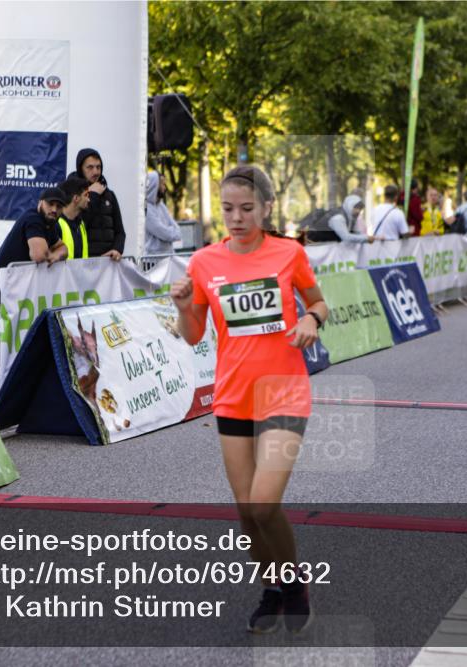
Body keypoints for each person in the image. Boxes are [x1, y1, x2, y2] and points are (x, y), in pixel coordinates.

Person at [171, 165, 327, 635]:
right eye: (227, 209)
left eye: (246, 208)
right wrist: (182, 308)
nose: (236, 218)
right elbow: (194, 333)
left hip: (284, 392)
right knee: (244, 512)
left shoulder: (289, 253)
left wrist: (311, 322)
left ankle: (295, 584)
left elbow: (318, 302)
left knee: (263, 504)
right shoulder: (203, 263)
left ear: (265, 208)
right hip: (233, 397)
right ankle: (272, 589)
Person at [0, 187, 69, 398]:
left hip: (10, 294)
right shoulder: (33, 219)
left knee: (11, 343)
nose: (54, 209)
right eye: (50, 204)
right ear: (40, 203)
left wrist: (53, 257)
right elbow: (38, 254)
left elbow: (64, 249)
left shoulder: (49, 225)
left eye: (58, 206)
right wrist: (50, 254)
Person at [71, 148, 126, 260]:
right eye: (90, 167)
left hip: (108, 262)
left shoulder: (109, 195)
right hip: (83, 262)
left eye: (98, 167)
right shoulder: (72, 194)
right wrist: (93, 195)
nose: (95, 172)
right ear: (80, 169)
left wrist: (117, 249)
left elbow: (120, 231)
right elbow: (78, 225)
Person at [144, 171, 182, 255]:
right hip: (152, 260)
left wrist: (170, 231)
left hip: (168, 256)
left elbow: (178, 230)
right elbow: (162, 232)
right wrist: (171, 231)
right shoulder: (146, 208)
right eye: (162, 184)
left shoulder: (161, 206)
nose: (165, 188)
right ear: (154, 185)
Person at [57, 176, 92, 259]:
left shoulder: (81, 224)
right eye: (86, 195)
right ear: (76, 198)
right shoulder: (56, 224)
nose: (89, 200)